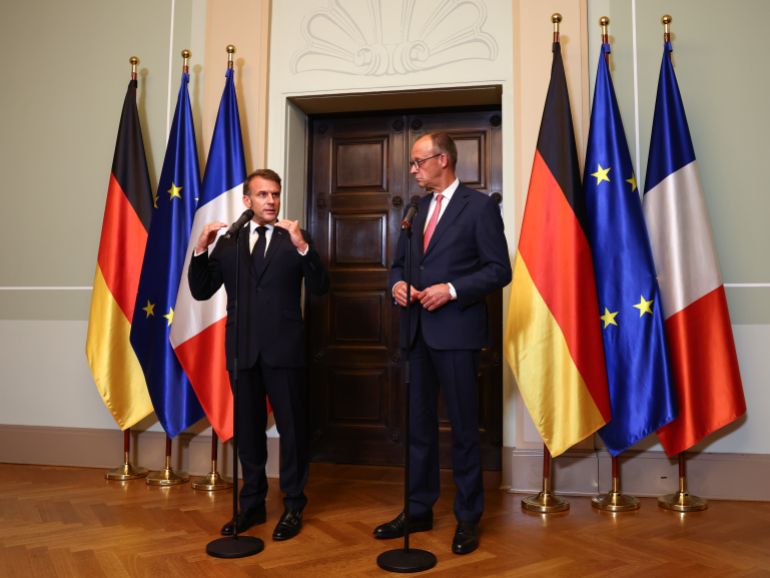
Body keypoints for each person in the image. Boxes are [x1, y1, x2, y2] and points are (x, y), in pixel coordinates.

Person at [374, 133, 511, 555]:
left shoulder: (481, 207)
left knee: (465, 431)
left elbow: (499, 270)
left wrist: (451, 289)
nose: (412, 170)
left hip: (457, 334)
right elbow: (399, 264)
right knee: (417, 429)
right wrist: (397, 284)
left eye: (418, 162)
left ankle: (468, 518)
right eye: (413, 164)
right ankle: (418, 509)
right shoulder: (415, 208)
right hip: (415, 332)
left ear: (443, 160)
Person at [189, 168, 329, 541]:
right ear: (247, 201)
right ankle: (251, 504)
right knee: (249, 433)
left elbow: (321, 286)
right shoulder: (230, 241)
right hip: (243, 352)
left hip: (285, 352)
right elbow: (202, 290)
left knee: (293, 432)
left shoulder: (293, 238)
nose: (271, 201)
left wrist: (303, 246)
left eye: (276, 194)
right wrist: (201, 247)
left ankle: (294, 505)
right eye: (263, 195)